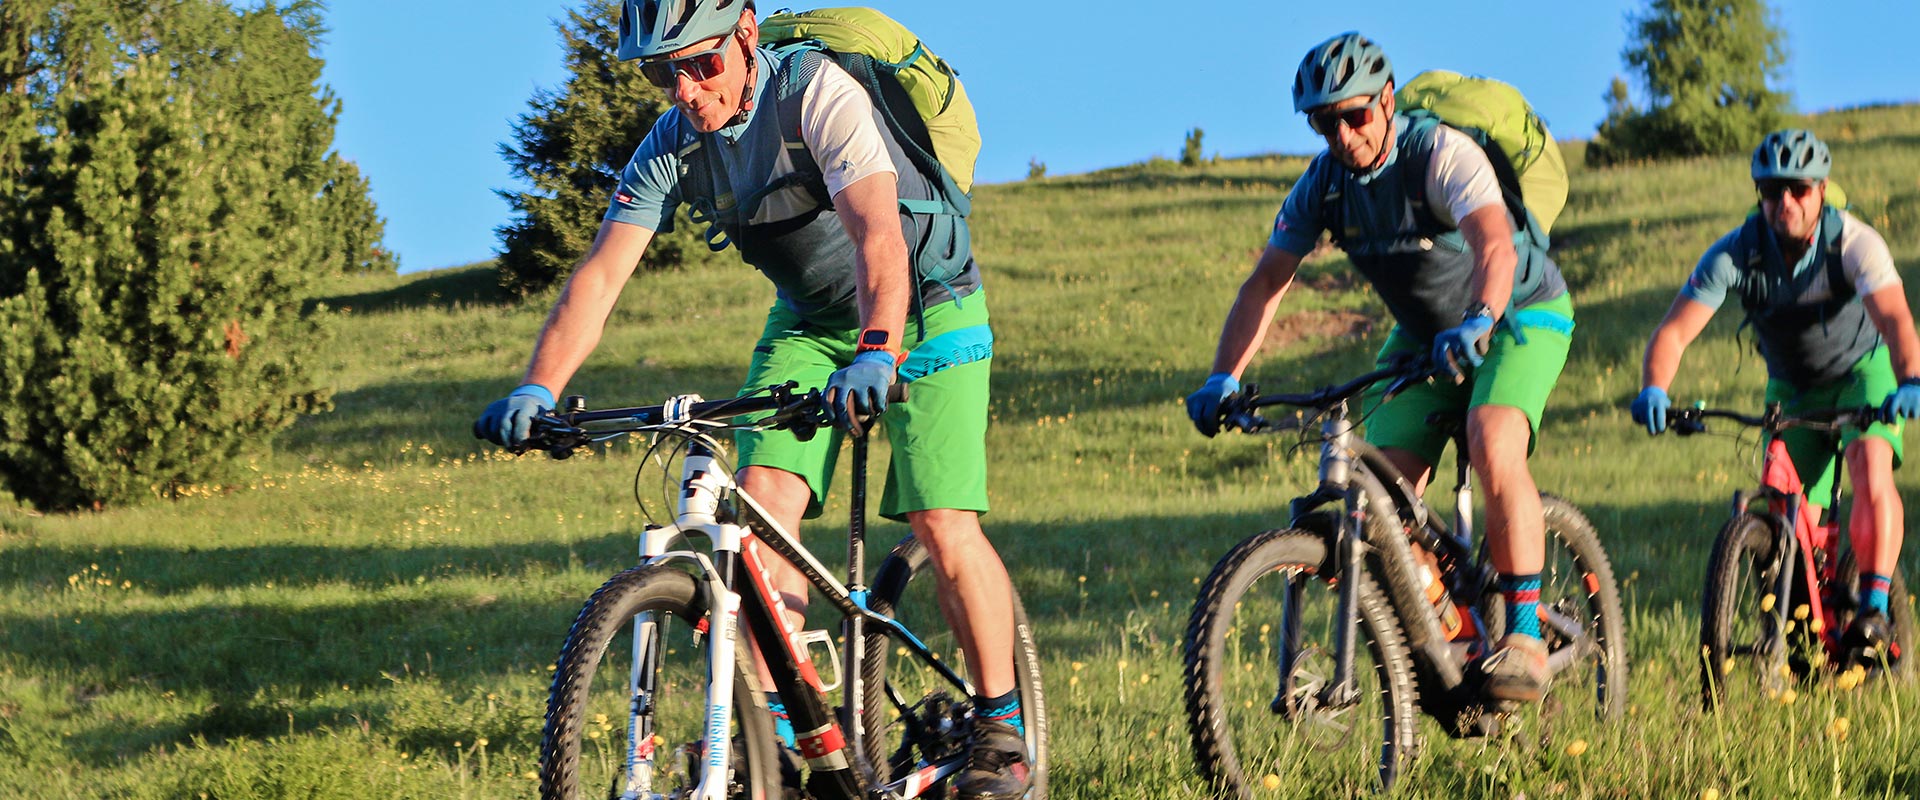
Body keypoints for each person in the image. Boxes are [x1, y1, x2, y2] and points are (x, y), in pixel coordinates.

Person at [473, 1, 1025, 795]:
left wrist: (878, 351)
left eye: (701, 63)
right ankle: (774, 743)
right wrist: (539, 385)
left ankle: (1001, 729)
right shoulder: (670, 146)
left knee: (941, 519)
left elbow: (877, 231)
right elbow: (601, 275)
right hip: (808, 321)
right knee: (760, 513)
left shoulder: (817, 95)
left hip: (925, 303)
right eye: (664, 72)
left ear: (746, 36)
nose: (686, 89)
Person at [1185, 32, 1577, 703]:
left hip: (1517, 314)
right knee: (1379, 499)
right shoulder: (1323, 186)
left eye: (1356, 115)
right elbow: (1266, 283)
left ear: (1387, 102)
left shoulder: (1442, 153)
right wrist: (1223, 376)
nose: (1342, 134)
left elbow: (1494, 247)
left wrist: (1480, 318)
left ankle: (1523, 637)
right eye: (1323, 122)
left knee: (1491, 437)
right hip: (1425, 336)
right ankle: (1451, 636)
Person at [1631, 129, 1919, 667]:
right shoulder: (1737, 253)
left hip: (1864, 373)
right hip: (1792, 388)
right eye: (1770, 191)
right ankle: (1802, 625)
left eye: (1798, 189)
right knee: (1780, 500)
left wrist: (1910, 380)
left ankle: (1875, 607)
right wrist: (1655, 387)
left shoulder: (1854, 243)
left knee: (1869, 464)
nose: (1783, 202)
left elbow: (1897, 319)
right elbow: (1673, 332)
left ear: (1821, 190)